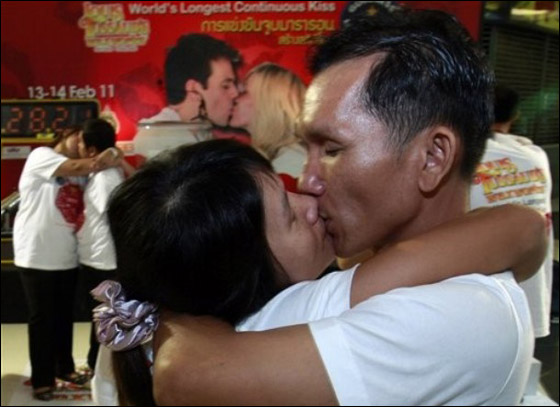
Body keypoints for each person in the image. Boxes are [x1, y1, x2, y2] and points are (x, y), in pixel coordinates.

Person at [153, 10, 547, 405]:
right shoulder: (365, 263)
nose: (306, 182)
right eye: (307, 148)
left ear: (432, 158)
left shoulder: (457, 316)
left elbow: (188, 376)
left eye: (332, 149)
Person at [91, 139, 545, 406]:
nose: (309, 199)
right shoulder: (307, 307)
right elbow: (522, 229)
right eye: (289, 216)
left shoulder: (133, 342)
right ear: (244, 274)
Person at [13, 126, 121, 400]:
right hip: (37, 254)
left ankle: (65, 368)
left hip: (69, 255)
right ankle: (43, 380)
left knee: (64, 316)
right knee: (42, 318)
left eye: (85, 140)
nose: (80, 144)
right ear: (65, 135)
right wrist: (110, 153)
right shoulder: (42, 155)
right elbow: (75, 166)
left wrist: (114, 153)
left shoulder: (87, 171)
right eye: (77, 137)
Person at [470, 84, 554, 339]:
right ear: (515, 116)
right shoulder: (536, 157)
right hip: (530, 291)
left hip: (479, 298)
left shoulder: (464, 156)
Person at [134, 34, 243, 161]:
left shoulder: (200, 131)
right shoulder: (158, 138)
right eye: (225, 86)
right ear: (193, 90)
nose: (235, 93)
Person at [76, 119, 126, 373]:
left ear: (92, 150)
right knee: (100, 317)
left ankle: (102, 370)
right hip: (99, 257)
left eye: (81, 144)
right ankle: (96, 364)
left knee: (104, 318)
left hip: (103, 260)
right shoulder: (101, 174)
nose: (78, 148)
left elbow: (116, 215)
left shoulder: (105, 177)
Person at [229, 63, 307, 189]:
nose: (235, 98)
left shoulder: (291, 162)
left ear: (267, 102)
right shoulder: (282, 159)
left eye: (244, 92)